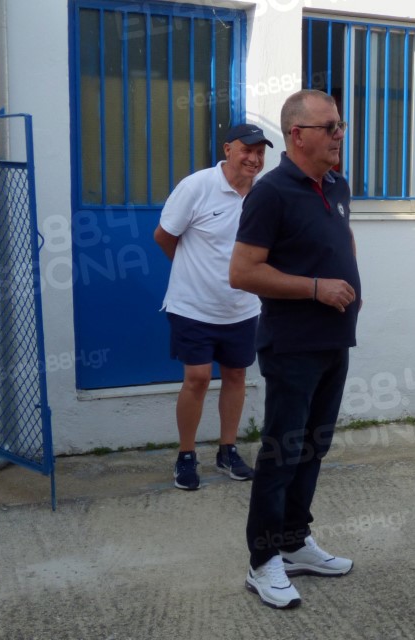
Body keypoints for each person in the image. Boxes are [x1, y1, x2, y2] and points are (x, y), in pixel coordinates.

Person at [230, 89, 359, 609]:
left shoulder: (337, 184)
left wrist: (351, 284)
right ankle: (263, 561)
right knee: (282, 452)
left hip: (334, 339)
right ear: (298, 135)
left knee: (313, 446)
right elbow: (243, 272)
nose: (339, 135)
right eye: (330, 127)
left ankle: (294, 541)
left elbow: (343, 240)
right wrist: (316, 288)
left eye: (340, 125)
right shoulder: (271, 193)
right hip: (291, 345)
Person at [154, 123, 273, 491]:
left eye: (260, 152)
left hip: (242, 308)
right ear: (227, 149)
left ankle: (227, 451)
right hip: (193, 306)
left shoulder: (264, 195)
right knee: (198, 378)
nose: (253, 159)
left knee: (236, 376)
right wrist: (193, 272)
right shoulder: (197, 186)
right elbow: (164, 236)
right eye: (246, 150)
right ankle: (186, 455)